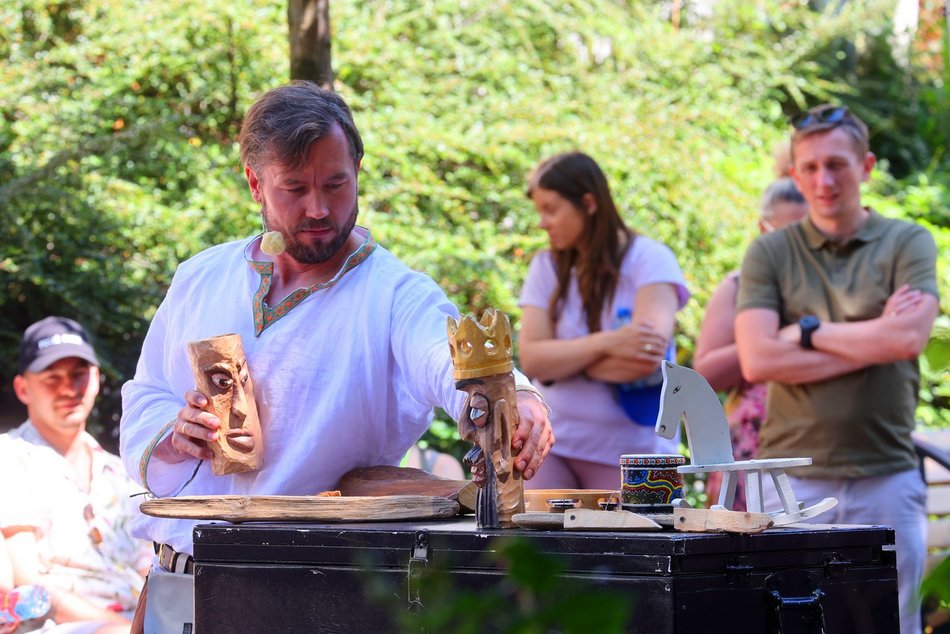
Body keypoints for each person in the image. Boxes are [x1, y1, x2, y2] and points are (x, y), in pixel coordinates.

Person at [118, 82, 553, 627]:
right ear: (255, 183)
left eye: (335, 183)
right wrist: (178, 434)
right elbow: (145, 394)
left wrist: (518, 399)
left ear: (359, 170)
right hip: (177, 585)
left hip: (308, 596)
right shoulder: (200, 277)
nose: (319, 207)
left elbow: (446, 356)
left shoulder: (395, 294)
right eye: (294, 188)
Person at [734, 104, 939, 634]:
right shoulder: (770, 252)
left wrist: (804, 332)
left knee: (892, 623)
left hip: (885, 474)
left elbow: (908, 338)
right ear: (794, 174)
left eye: (838, 165)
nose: (824, 181)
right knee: (788, 622)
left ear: (866, 166)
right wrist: (876, 336)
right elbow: (757, 359)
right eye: (810, 167)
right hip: (788, 482)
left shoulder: (907, 241)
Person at [517, 152, 689, 491]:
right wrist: (608, 343)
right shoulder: (545, 268)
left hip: (638, 459)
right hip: (554, 449)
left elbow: (644, 359)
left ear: (589, 203)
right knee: (534, 543)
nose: (542, 222)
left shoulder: (651, 260)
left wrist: (561, 364)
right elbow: (533, 360)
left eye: (551, 209)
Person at [0, 317, 152, 633]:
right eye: (52, 377)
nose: (69, 388)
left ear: (96, 379)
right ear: (23, 388)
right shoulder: (9, 457)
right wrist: (127, 627)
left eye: (79, 374)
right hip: (50, 624)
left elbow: (152, 570)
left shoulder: (125, 472)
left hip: (136, 621)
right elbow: (28, 580)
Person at [693, 178, 808, 510]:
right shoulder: (737, 287)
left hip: (817, 445)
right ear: (763, 230)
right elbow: (706, 374)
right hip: (750, 449)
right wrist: (768, 340)